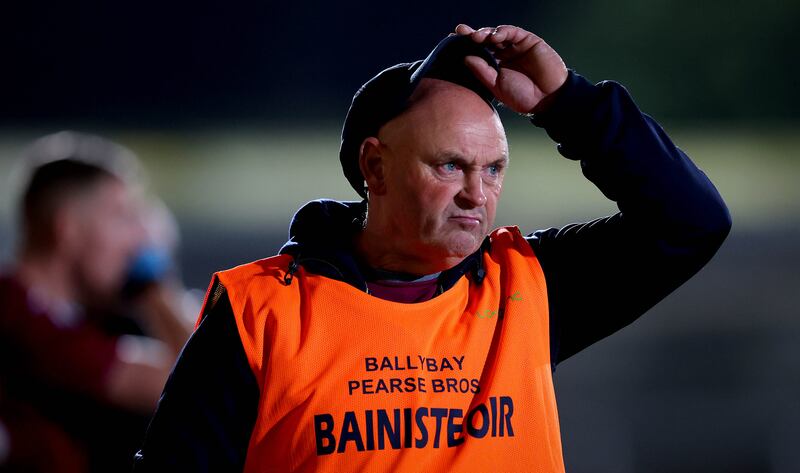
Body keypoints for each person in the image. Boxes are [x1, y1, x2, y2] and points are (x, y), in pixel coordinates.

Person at [134, 24, 731, 472]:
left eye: (494, 170)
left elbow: (691, 221)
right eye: (450, 165)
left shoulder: (524, 284)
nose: (477, 195)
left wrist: (566, 102)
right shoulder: (260, 313)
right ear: (376, 166)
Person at [0, 131, 194, 472]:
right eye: (121, 215)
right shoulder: (16, 313)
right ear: (69, 229)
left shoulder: (69, 318)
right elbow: (198, 383)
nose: (138, 236)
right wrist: (152, 280)